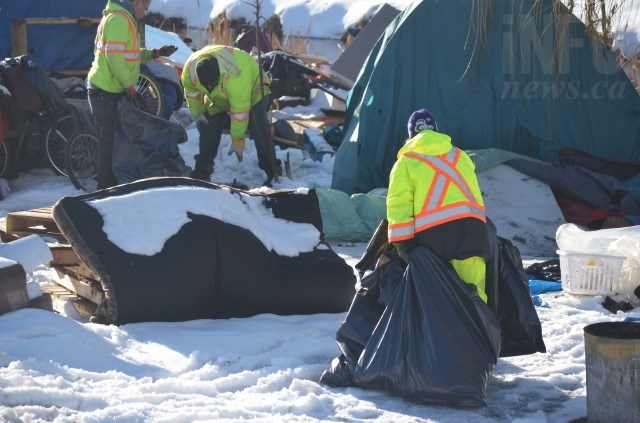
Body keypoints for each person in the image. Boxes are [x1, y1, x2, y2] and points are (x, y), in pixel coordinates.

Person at [386, 109, 490, 302]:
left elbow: (398, 203)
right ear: (436, 131)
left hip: (433, 237)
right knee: (475, 294)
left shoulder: (406, 162)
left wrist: (402, 243)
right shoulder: (460, 156)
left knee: (439, 299)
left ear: (411, 136)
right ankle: (480, 329)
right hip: (473, 233)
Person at [87, 0, 177, 190]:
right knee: (108, 140)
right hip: (104, 90)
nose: (146, 12)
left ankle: (114, 183)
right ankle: (104, 188)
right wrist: (130, 87)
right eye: (145, 7)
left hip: (111, 88)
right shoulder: (119, 19)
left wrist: (156, 53)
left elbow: (131, 54)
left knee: (117, 138)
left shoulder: (123, 18)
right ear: (136, 2)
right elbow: (115, 59)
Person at [181, 45, 279, 185]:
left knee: (258, 127)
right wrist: (198, 113)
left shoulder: (235, 74)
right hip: (218, 95)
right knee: (208, 126)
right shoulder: (189, 70)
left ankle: (272, 170)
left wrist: (238, 139)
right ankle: (202, 171)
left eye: (211, 84)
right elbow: (191, 93)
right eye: (206, 85)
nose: (208, 87)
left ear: (219, 74)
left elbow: (239, 111)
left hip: (254, 89)